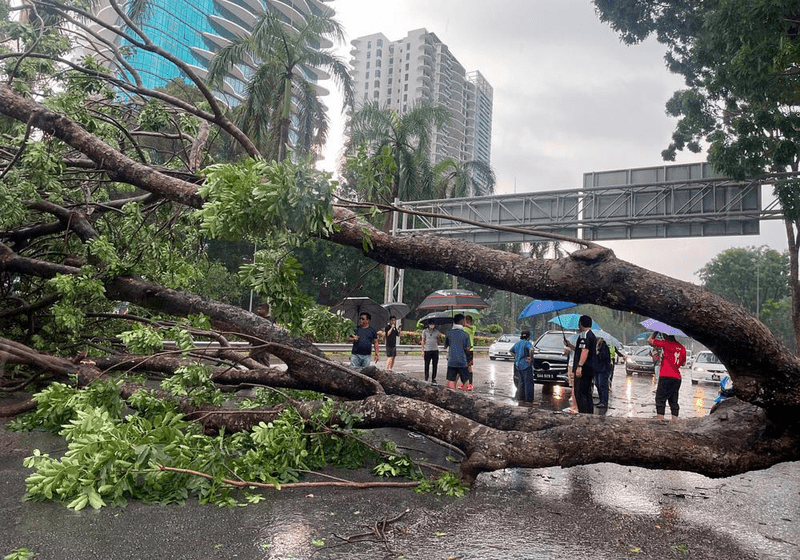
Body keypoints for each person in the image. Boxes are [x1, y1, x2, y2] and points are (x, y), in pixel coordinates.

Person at [647, 331, 687, 420]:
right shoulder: (682, 348)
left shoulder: (666, 343)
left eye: (664, 335)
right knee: (673, 399)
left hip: (666, 375)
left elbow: (650, 340)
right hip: (677, 377)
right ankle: (675, 420)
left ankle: (660, 418)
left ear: (666, 335)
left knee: (660, 398)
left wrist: (656, 331)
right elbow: (683, 363)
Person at [566, 315, 597, 414]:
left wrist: (579, 366)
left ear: (581, 323)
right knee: (587, 392)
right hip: (589, 369)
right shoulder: (591, 335)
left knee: (580, 392)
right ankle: (589, 414)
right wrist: (569, 345)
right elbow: (579, 350)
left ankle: (583, 414)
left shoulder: (585, 335)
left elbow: (585, 351)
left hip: (584, 369)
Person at [443, 313, 472, 390]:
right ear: (462, 322)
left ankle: (451, 396)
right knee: (465, 381)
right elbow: (468, 348)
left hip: (452, 361)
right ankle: (465, 398)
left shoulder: (449, 333)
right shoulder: (465, 335)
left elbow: (445, 346)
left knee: (451, 380)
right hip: (462, 361)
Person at [510, 330, 536, 405]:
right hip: (526, 365)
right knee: (528, 382)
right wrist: (530, 357)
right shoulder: (527, 343)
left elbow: (511, 351)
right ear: (528, 336)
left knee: (521, 382)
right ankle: (529, 399)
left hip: (518, 365)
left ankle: (521, 398)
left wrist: (516, 357)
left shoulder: (517, 343)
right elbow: (531, 349)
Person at [594, 337, 612, 408]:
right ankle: (601, 399)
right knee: (597, 384)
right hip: (597, 369)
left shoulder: (605, 348)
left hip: (603, 369)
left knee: (602, 385)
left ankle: (604, 401)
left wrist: (598, 353)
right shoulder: (596, 347)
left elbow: (605, 358)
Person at [462, 315, 477, 391]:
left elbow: (471, 328)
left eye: (468, 320)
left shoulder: (473, 327)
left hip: (470, 349)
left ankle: (470, 384)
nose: (467, 322)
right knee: (463, 367)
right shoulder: (463, 328)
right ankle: (464, 383)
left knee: (469, 367)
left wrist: (465, 324)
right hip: (463, 349)